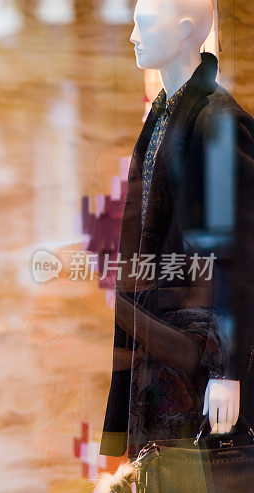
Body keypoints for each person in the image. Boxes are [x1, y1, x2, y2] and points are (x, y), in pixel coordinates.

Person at [101, 0, 254, 459]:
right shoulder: (163, 116)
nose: (133, 36)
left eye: (144, 24)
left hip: (198, 355)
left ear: (187, 30)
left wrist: (229, 371)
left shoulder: (217, 121)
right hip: (163, 347)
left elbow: (240, 254)